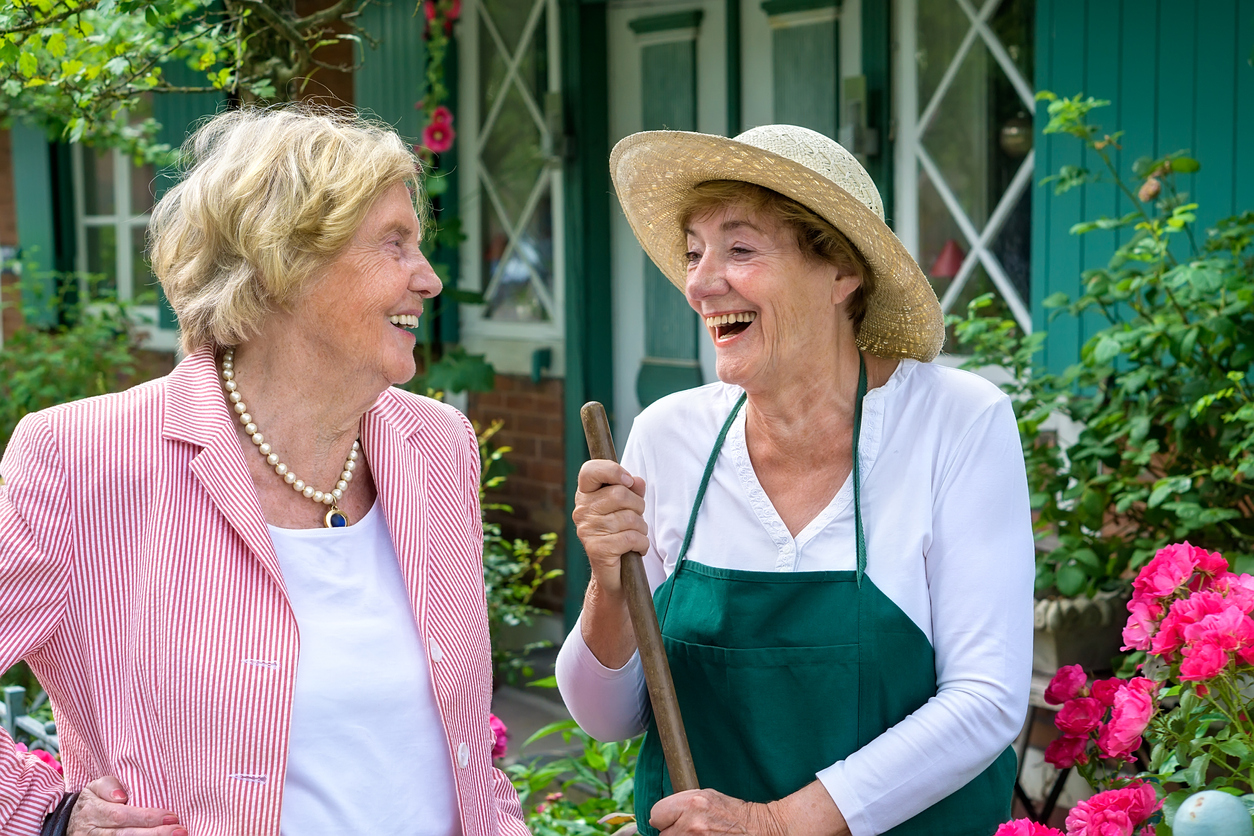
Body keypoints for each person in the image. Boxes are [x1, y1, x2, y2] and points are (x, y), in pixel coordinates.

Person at [0, 107, 528, 836]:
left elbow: (467, 759)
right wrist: (47, 818)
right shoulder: (82, 458)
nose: (429, 279)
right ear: (285, 263)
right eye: (394, 244)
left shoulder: (437, 446)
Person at [556, 125, 1034, 836]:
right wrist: (606, 580)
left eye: (741, 249)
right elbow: (607, 716)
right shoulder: (669, 434)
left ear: (843, 274)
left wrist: (775, 825)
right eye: (694, 253)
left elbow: (986, 699)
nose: (699, 282)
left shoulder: (955, 423)